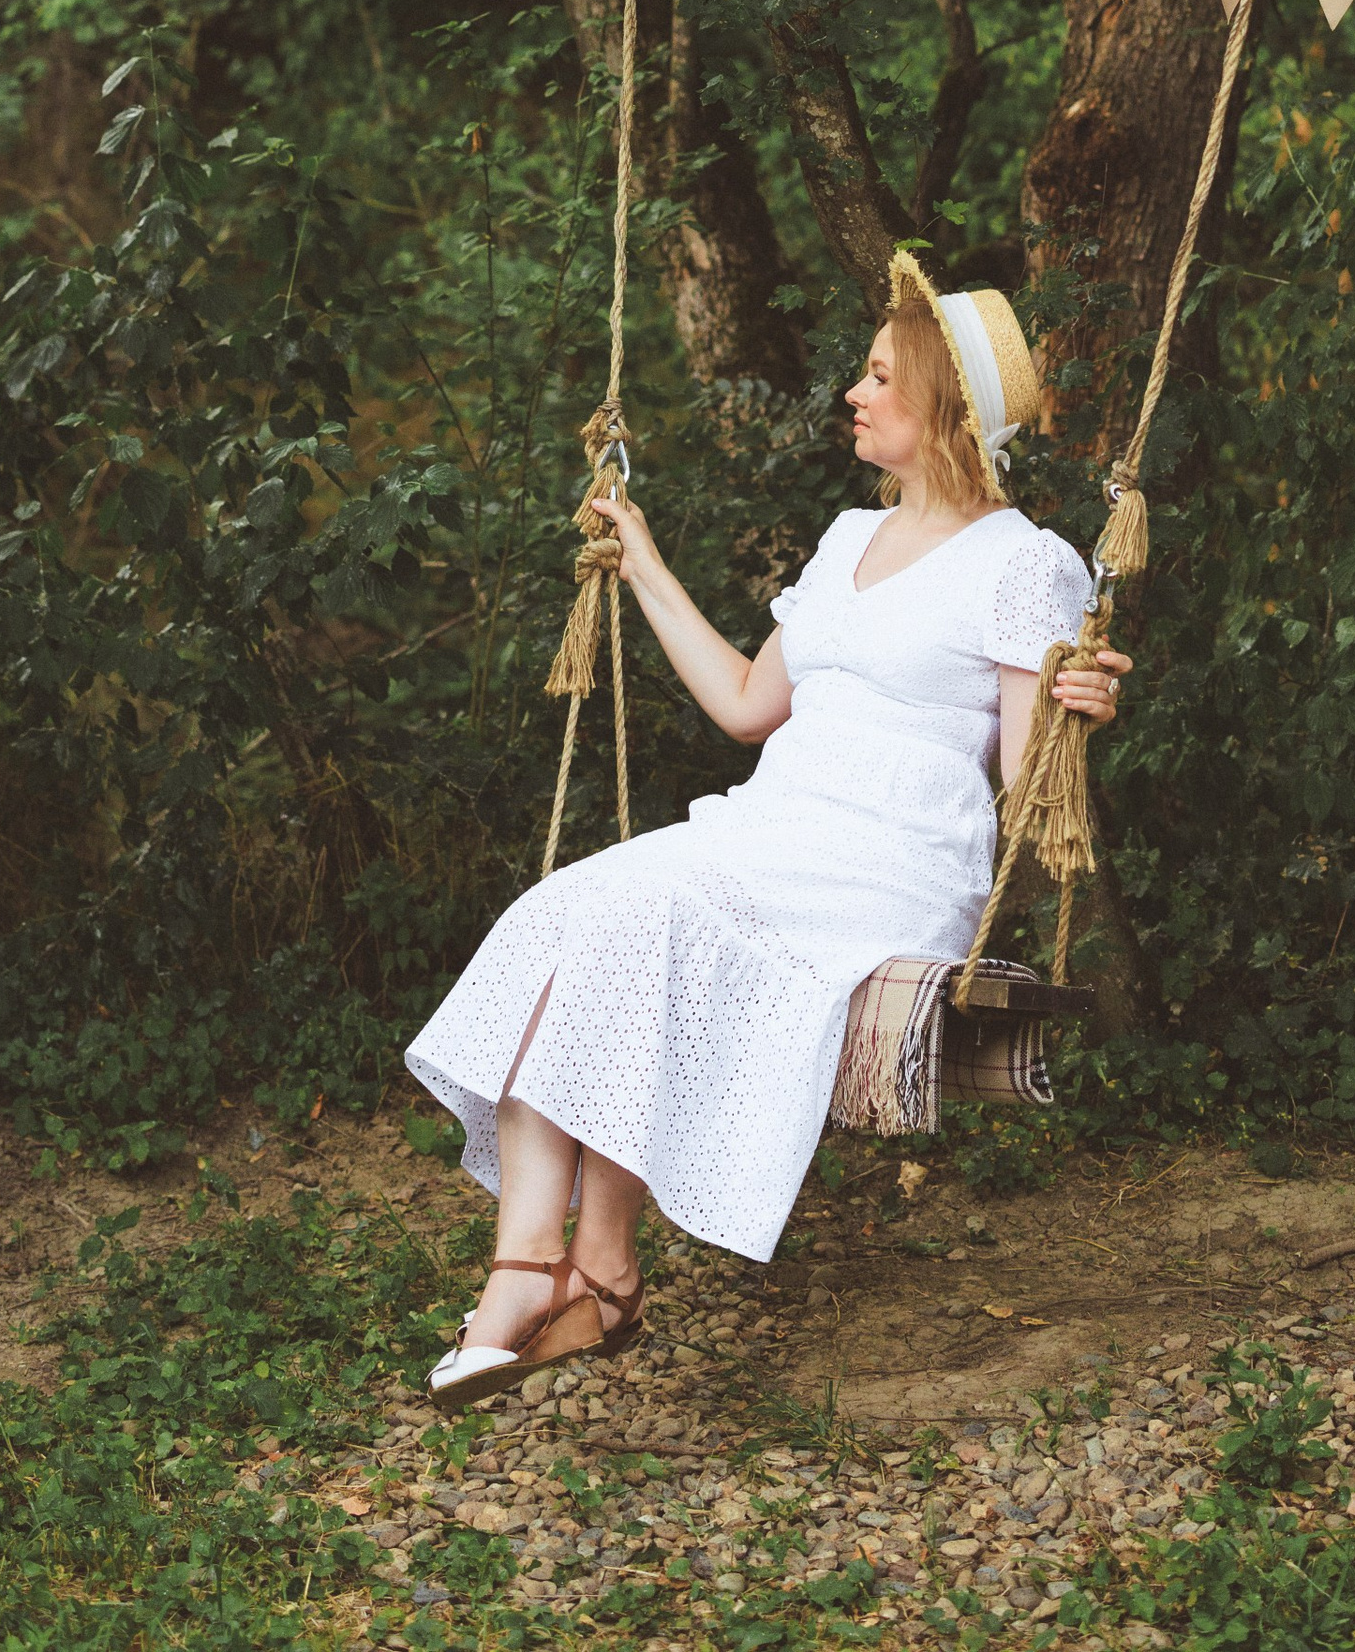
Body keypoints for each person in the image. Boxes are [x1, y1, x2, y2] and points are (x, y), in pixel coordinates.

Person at [405, 255, 1131, 1408]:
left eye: (880, 374)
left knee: (644, 910)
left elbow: (1030, 780)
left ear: (943, 405)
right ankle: (563, 1263)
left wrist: (1082, 703)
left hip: (887, 861)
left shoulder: (1023, 563)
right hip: (772, 828)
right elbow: (748, 703)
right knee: (566, 908)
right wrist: (637, 557)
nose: (853, 390)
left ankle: (553, 1274)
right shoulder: (845, 537)